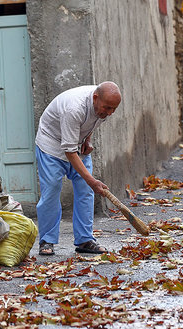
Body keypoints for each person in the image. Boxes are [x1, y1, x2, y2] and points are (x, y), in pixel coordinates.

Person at [34, 81, 121, 255]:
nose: (110, 113)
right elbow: (69, 151)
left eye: (114, 109)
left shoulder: (101, 106)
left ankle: (84, 240)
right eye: (107, 108)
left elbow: (90, 123)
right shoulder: (74, 108)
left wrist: (87, 140)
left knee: (85, 191)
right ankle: (47, 240)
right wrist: (92, 180)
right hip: (51, 144)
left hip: (75, 144)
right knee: (51, 190)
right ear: (95, 98)